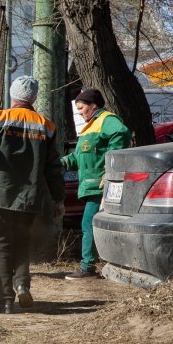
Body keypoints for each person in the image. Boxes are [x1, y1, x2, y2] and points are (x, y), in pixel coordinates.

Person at [0, 76, 64, 314]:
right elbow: (53, 168)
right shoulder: (47, 125)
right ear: (33, 97)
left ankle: (7, 299)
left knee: (1, 245)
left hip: (0, 195)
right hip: (31, 197)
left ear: (13, 95)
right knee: (22, 243)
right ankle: (22, 285)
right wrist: (58, 198)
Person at [61, 88, 131, 280]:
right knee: (95, 224)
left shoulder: (106, 120)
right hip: (92, 187)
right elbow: (80, 157)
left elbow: (122, 132)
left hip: (100, 187)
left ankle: (87, 267)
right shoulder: (90, 126)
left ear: (93, 106)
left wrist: (111, 168)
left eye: (81, 108)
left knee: (88, 224)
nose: (79, 112)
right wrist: (58, 163)